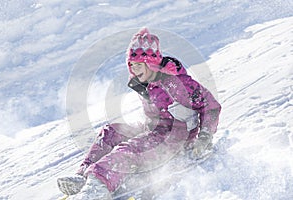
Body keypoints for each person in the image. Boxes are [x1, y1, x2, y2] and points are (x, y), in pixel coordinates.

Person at [57, 27, 221, 200]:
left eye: (139, 64)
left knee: (128, 149)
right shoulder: (143, 82)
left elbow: (210, 106)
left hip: (175, 139)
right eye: (131, 65)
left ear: (151, 62)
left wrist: (204, 137)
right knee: (111, 131)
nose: (134, 69)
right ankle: (83, 176)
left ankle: (98, 186)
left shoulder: (177, 83)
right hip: (154, 130)